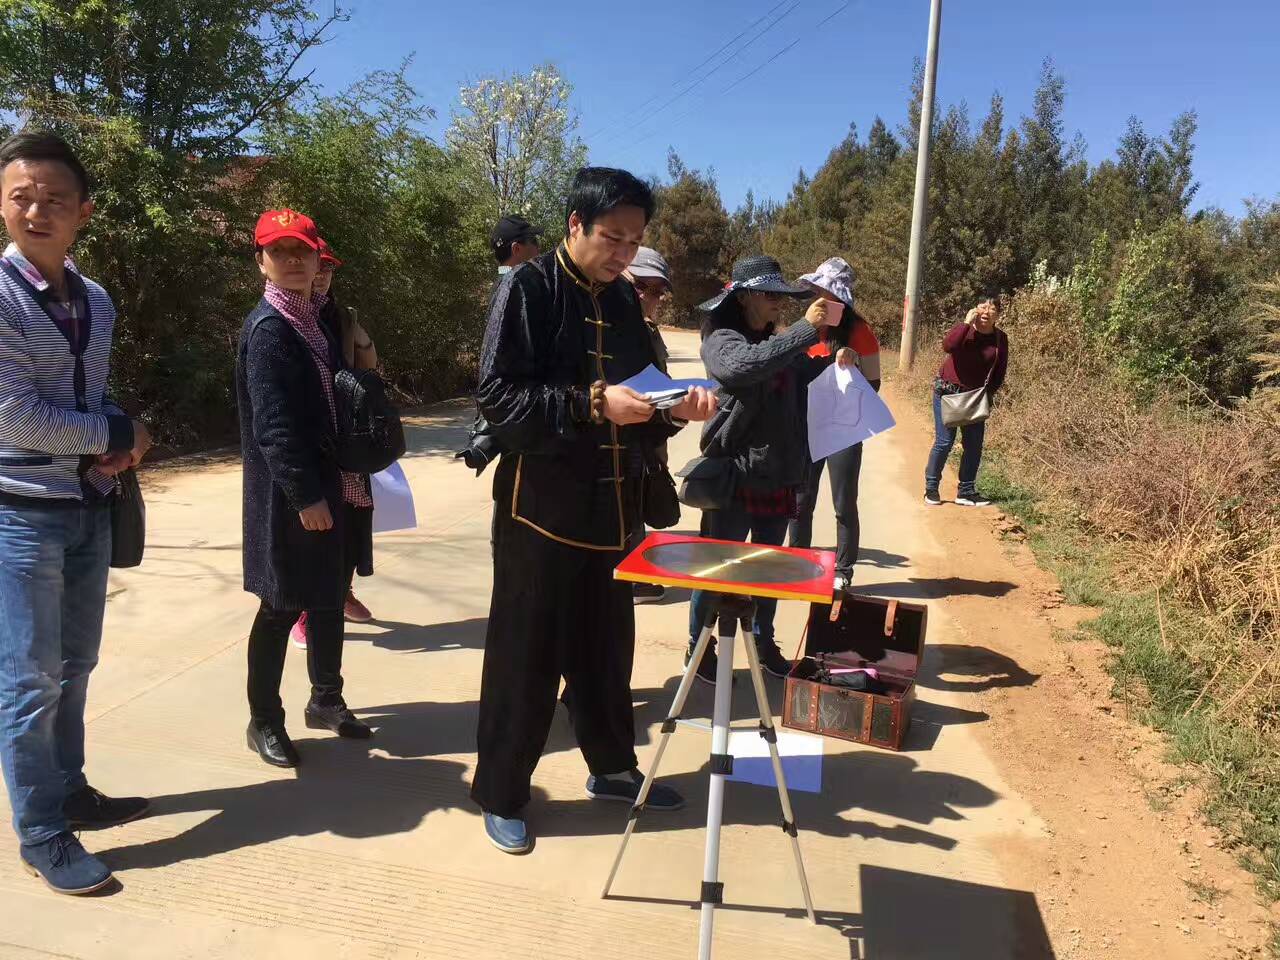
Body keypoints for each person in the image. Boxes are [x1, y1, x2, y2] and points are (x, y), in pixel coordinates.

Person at [471, 167, 716, 854]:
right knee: (526, 658)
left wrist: (675, 410)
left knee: (607, 653)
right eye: (612, 237)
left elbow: (642, 399)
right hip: (538, 514)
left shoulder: (623, 304)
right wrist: (587, 402)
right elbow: (497, 397)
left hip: (613, 513)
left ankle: (611, 768)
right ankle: (501, 793)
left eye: (634, 241)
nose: (622, 254)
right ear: (573, 226)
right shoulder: (528, 287)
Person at [0, 132, 153, 895]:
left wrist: (111, 440)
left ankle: (70, 792)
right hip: (18, 515)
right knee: (30, 678)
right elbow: (13, 416)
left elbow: (83, 402)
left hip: (86, 505)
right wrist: (114, 434)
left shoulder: (96, 299)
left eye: (54, 199)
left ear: (83, 213)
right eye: (21, 196)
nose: (36, 209)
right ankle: (41, 829)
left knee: (76, 666)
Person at [235, 208, 375, 769]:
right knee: (279, 605)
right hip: (291, 499)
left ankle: (326, 700)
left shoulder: (314, 319)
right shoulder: (270, 330)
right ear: (261, 261)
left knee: (326, 600)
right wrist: (305, 497)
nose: (293, 261)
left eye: (303, 251)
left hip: (332, 484)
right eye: (280, 251)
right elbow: (274, 427)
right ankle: (263, 720)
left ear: (318, 259)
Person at [687, 255, 836, 685]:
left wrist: (836, 360)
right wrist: (805, 332)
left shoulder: (778, 339)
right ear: (748, 296)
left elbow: (800, 369)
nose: (779, 303)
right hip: (734, 475)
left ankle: (763, 640)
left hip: (779, 473)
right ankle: (700, 647)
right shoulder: (721, 338)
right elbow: (744, 367)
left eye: (781, 296)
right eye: (772, 295)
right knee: (718, 567)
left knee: (768, 568)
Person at [289, 239, 377, 649]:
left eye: (328, 268)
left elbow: (368, 366)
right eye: (317, 266)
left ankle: (339, 593)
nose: (322, 275)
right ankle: (306, 613)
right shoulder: (289, 317)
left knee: (352, 524)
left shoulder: (338, 315)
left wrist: (357, 334)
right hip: (313, 445)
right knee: (317, 536)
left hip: (347, 438)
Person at [787, 257, 882, 594]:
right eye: (816, 290)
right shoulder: (807, 326)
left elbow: (874, 385)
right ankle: (797, 561)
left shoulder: (861, 332)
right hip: (805, 425)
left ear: (840, 298)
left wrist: (850, 368)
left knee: (843, 502)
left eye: (824, 291)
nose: (818, 296)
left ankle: (843, 570)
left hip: (843, 429)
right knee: (800, 500)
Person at [622, 246, 673, 604]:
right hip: (615, 442)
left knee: (637, 504)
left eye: (656, 290)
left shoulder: (648, 331)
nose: (648, 297)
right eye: (641, 285)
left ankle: (635, 575)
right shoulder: (601, 329)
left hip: (646, 438)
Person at [924, 298, 1009, 507]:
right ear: (975, 309)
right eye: (982, 306)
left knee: (974, 445)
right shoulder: (964, 330)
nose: (986, 311)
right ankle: (931, 488)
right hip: (948, 393)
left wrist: (988, 396)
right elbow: (948, 346)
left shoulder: (1000, 338)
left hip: (974, 398)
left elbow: (1000, 371)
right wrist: (965, 323)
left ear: (998, 315)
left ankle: (966, 491)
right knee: (944, 442)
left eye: (992, 308)